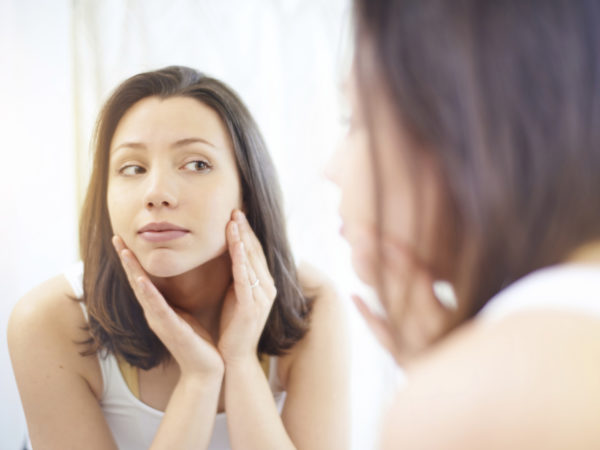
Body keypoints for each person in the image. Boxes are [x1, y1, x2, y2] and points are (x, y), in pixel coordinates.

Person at [8, 66, 349, 450]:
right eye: (132, 168)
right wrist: (200, 379)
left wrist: (239, 361)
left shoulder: (312, 305)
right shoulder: (50, 319)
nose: (157, 193)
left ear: (248, 189)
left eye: (196, 164)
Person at [327, 0, 600, 448]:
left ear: (456, 124)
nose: (331, 169)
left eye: (354, 122)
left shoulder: (480, 400)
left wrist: (446, 394)